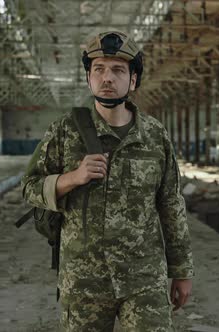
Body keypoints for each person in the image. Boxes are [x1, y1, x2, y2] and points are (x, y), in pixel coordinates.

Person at [21, 31, 194, 331]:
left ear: (133, 79)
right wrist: (71, 178)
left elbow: (170, 204)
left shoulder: (155, 135)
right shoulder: (64, 132)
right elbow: (29, 188)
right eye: (98, 69)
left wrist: (181, 270)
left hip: (144, 279)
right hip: (83, 281)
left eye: (118, 70)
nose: (107, 78)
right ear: (89, 78)